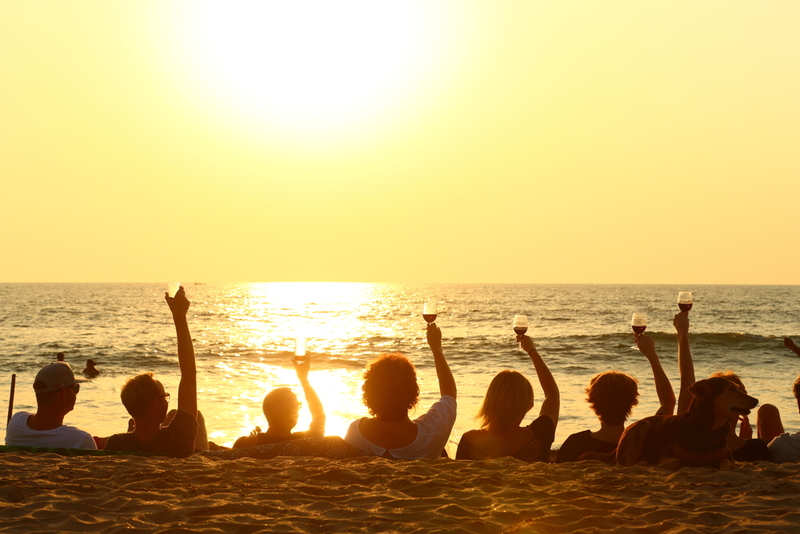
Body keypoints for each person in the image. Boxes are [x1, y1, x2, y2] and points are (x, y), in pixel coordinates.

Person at [104, 286, 198, 457]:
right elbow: (189, 374)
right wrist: (179, 316)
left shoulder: (116, 443)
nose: (167, 401)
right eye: (165, 396)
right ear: (156, 403)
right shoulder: (178, 438)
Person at [556, 331, 675, 463]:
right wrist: (651, 355)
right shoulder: (643, 441)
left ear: (592, 401)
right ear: (633, 401)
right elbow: (668, 401)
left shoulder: (576, 443)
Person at [344, 323, 456, 459]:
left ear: (369, 392)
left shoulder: (356, 431)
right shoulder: (431, 433)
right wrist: (436, 349)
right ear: (413, 391)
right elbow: (449, 394)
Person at [675, 312, 770, 462]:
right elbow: (687, 380)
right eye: (734, 391)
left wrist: (682, 333)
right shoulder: (756, 448)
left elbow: (686, 379)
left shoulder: (689, 438)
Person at [456, 333, 559, 462]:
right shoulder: (540, 434)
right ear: (528, 406)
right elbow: (552, 393)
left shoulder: (469, 440)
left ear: (489, 401)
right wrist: (532, 351)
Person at [233, 355, 325, 449]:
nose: (298, 409)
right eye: (297, 406)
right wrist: (303, 379)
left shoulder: (246, 443)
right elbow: (319, 415)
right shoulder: (308, 442)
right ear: (290, 411)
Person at [5, 361, 95, 449]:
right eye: (75, 388)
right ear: (63, 394)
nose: (76, 393)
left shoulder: (15, 423)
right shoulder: (82, 441)